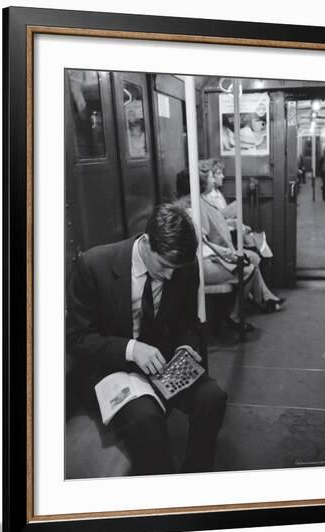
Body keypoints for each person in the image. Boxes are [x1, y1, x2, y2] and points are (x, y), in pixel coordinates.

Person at [66, 204, 227, 476]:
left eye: (176, 268)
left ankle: (197, 475)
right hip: (114, 366)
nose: (169, 276)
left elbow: (188, 322)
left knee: (213, 398)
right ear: (147, 242)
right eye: (164, 265)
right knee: (146, 418)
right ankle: (161, 495)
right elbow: (78, 339)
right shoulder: (93, 265)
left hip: (165, 361)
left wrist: (187, 346)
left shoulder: (183, 268)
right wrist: (131, 349)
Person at [176, 162, 284, 319]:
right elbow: (202, 237)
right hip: (197, 265)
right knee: (247, 269)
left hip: (205, 257)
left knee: (248, 262)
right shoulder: (188, 210)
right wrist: (222, 251)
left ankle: (258, 301)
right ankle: (236, 315)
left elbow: (203, 238)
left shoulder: (192, 205)